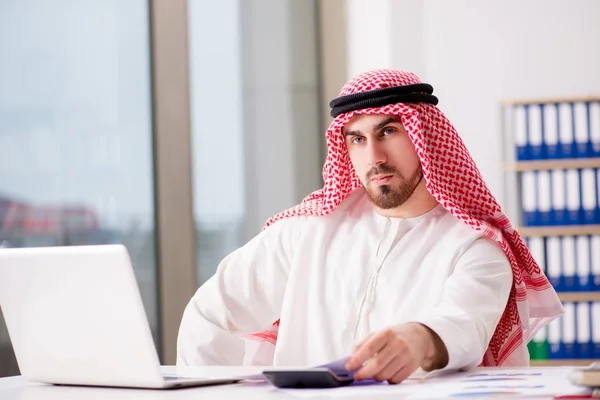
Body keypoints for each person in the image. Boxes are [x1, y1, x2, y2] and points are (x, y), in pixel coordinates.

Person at [176, 68, 563, 384]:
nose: (373, 156)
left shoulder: (475, 247)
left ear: (423, 137)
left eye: (389, 132)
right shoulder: (307, 231)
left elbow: (464, 325)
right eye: (357, 139)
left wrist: (420, 338)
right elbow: (210, 314)